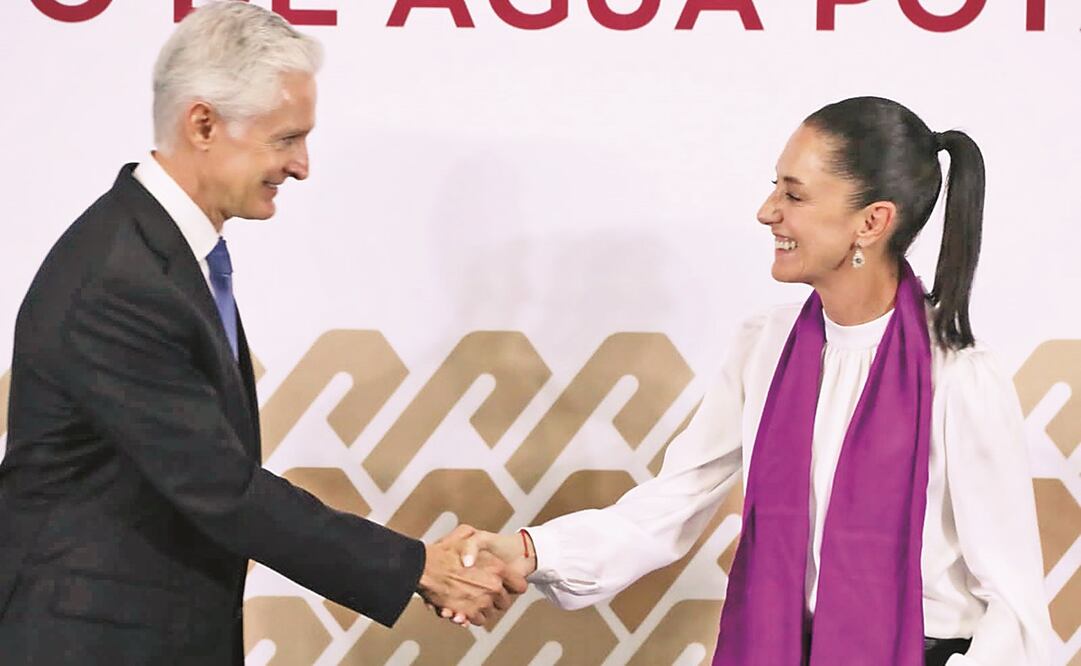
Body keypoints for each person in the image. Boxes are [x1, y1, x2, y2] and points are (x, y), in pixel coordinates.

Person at [0, 2, 523, 663]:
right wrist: (416, 566)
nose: (302, 166)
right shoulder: (120, 279)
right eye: (286, 139)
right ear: (204, 124)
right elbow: (221, 485)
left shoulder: (162, 255)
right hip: (91, 642)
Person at [452, 97, 1053, 665]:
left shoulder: (961, 378)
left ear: (871, 222)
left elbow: (1013, 602)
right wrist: (529, 553)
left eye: (793, 195)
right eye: (774, 188)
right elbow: (669, 506)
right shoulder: (763, 346)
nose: (768, 212)